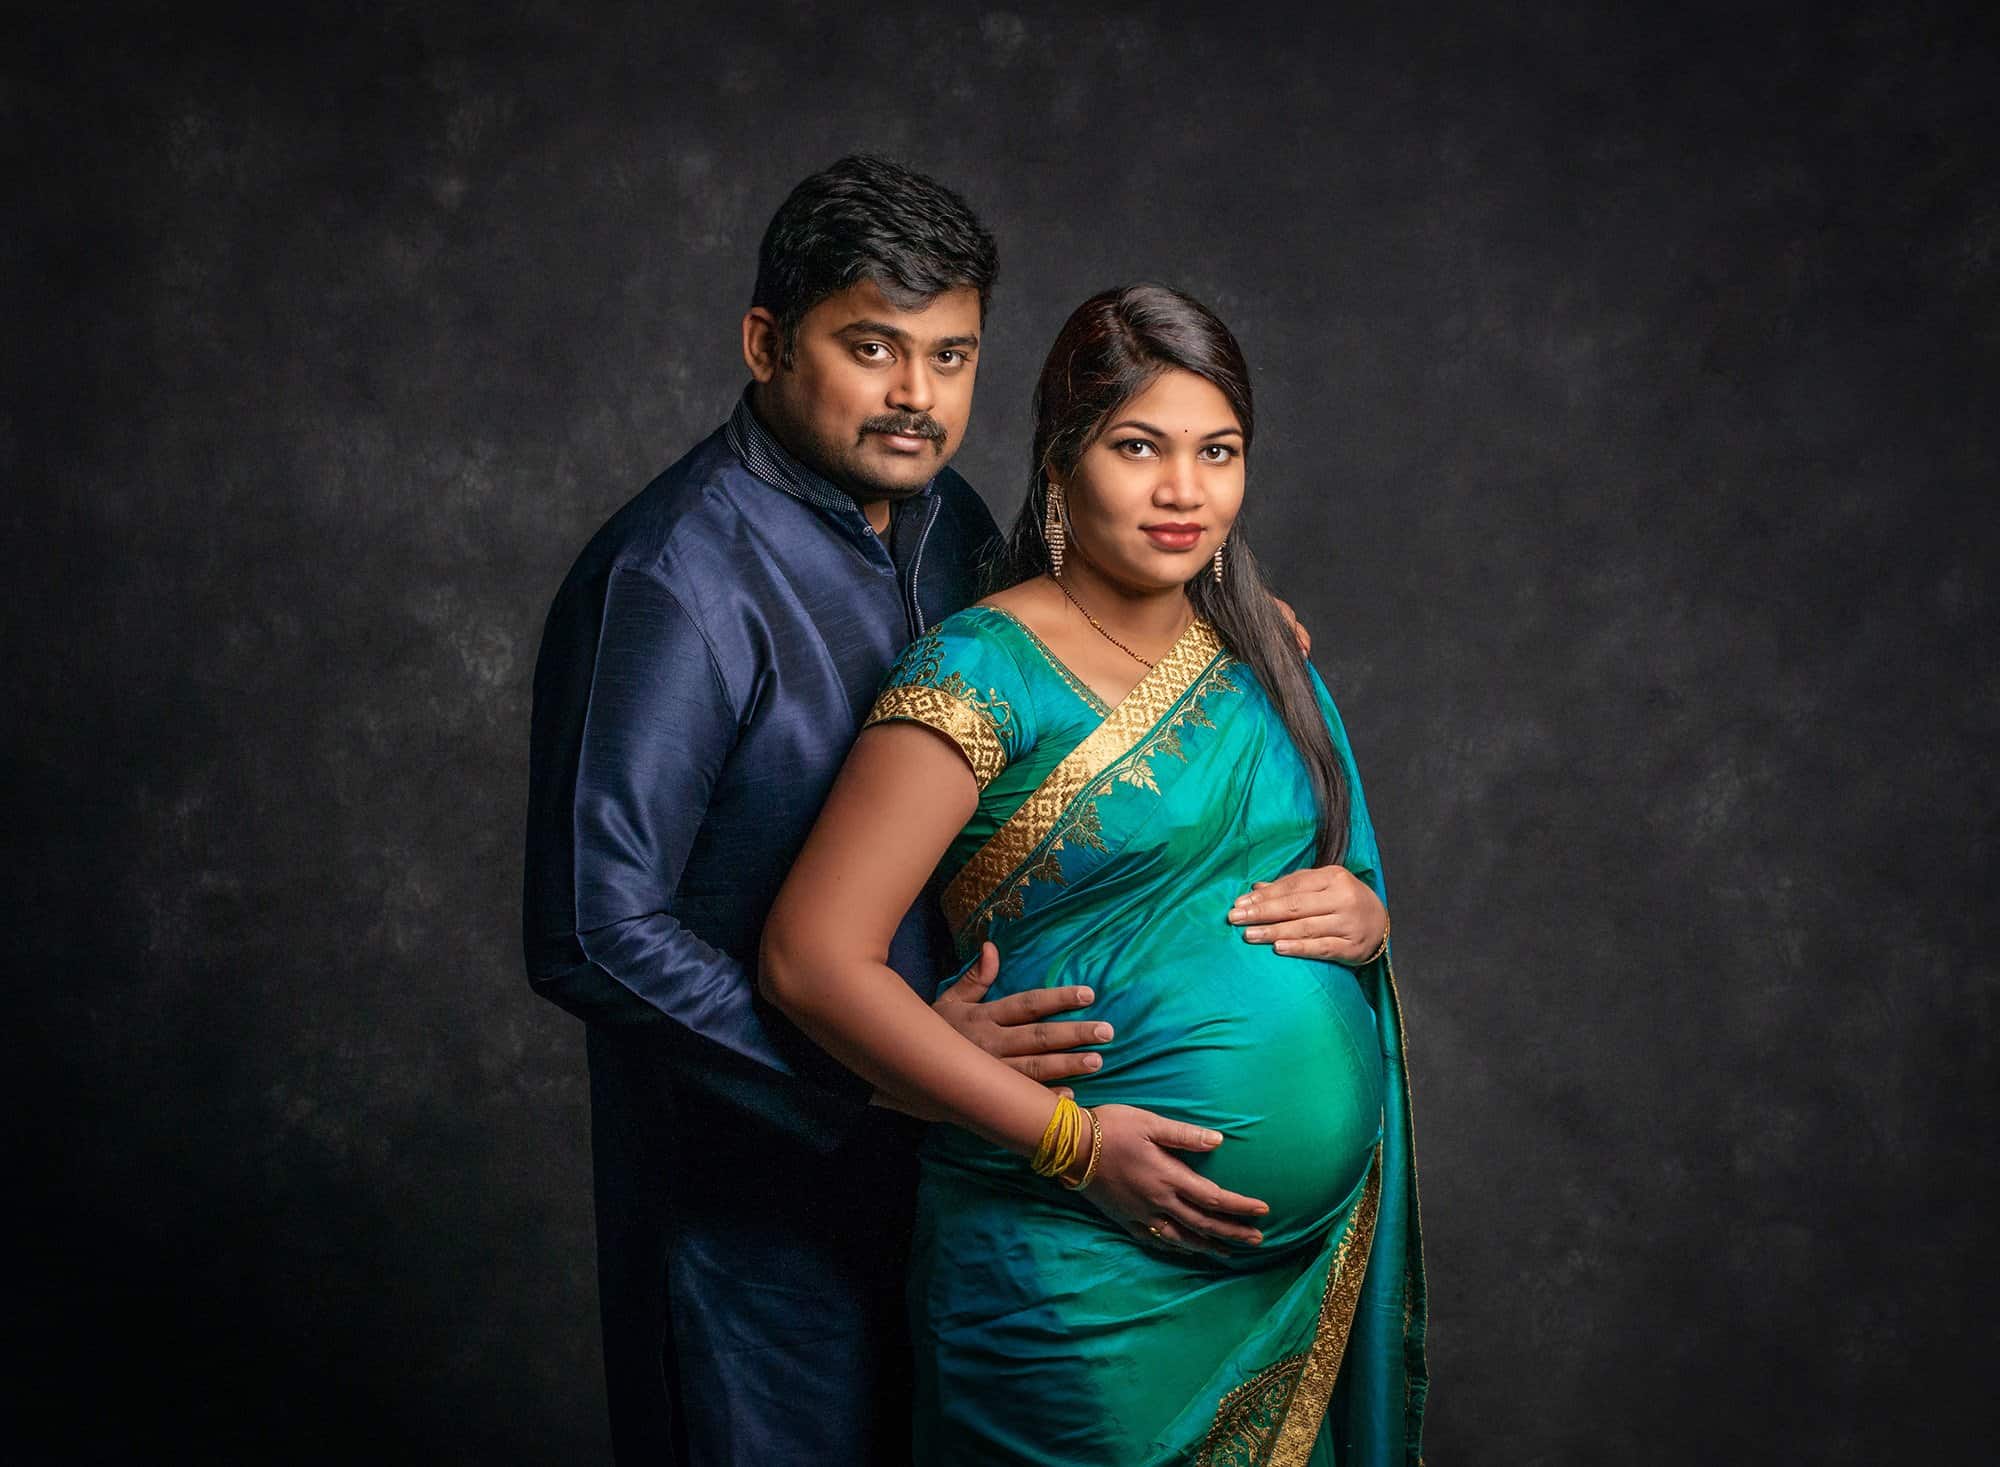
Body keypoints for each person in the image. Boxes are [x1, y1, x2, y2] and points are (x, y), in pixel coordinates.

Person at [526, 155, 1390, 1464]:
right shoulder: (670, 578)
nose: (916, 396)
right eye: (872, 348)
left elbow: (1060, 681)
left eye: (951, 355)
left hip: (972, 1172)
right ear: (767, 342)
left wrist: (1217, 628)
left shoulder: (945, 523)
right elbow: (591, 931)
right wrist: (869, 1070)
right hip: (763, 1199)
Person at [763, 284, 1426, 1465]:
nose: (1184, 492)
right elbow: (810, 961)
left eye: (1216, 452)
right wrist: (1072, 1143)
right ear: (1062, 462)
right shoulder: (978, 671)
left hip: (1280, 1289)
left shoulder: (1256, 649)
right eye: (1139, 447)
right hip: (1067, 1275)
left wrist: (1366, 917)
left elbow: (1326, 858)